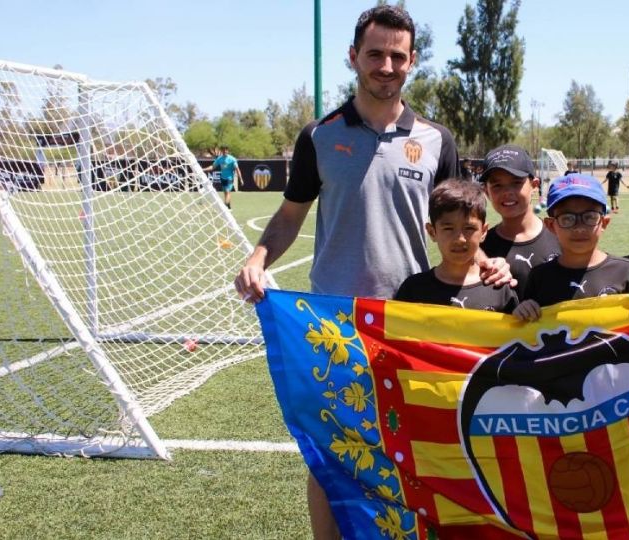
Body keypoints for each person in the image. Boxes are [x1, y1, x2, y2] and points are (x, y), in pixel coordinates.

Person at [232, 6, 509, 539]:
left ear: (413, 62)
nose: (386, 65)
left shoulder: (435, 140)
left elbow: (462, 219)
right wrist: (258, 257)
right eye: (375, 54)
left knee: (417, 447)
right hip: (332, 322)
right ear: (354, 56)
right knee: (330, 451)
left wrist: (486, 259)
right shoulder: (319, 135)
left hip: (415, 321)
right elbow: (291, 215)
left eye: (397, 56)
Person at [513, 174, 629, 322]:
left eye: (589, 217)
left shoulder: (625, 272)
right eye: (567, 218)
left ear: (604, 223)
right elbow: (528, 330)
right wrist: (523, 310)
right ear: (551, 225)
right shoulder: (540, 277)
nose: (579, 228)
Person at [395, 180, 518, 312]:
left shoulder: (500, 290)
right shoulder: (413, 290)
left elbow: (518, 331)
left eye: (469, 228)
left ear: (483, 231)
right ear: (432, 232)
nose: (459, 239)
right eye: (448, 228)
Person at [478, 144, 561, 298]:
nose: (507, 192)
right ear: (486, 192)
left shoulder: (560, 237)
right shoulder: (480, 248)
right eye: (497, 185)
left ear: (534, 185)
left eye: (516, 183)